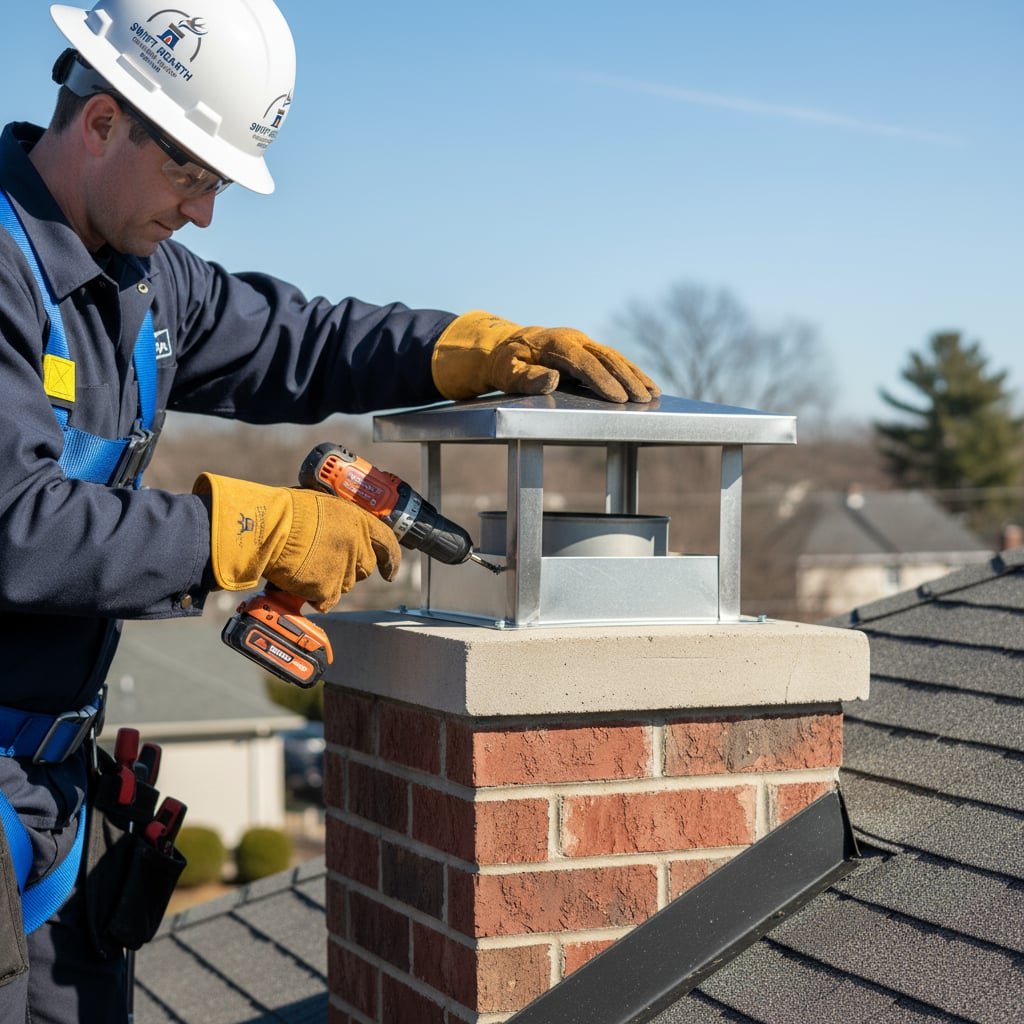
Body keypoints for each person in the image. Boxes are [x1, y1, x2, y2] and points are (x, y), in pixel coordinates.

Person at [0, 1, 659, 1020]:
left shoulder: (146, 280)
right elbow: (18, 528)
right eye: (192, 173)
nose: (206, 212)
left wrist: (464, 347)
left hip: (52, 801)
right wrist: (259, 530)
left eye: (216, 181)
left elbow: (291, 340)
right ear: (99, 123)